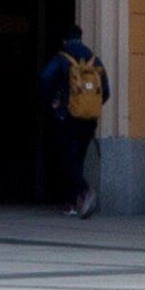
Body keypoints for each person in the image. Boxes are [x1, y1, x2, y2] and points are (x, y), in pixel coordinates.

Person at [43, 30, 110, 216]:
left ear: (65, 40)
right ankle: (72, 203)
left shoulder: (62, 58)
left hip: (68, 116)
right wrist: (89, 106)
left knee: (66, 158)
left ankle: (85, 190)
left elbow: (45, 77)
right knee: (78, 158)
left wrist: (54, 101)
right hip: (89, 119)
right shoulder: (94, 60)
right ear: (81, 38)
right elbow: (106, 91)